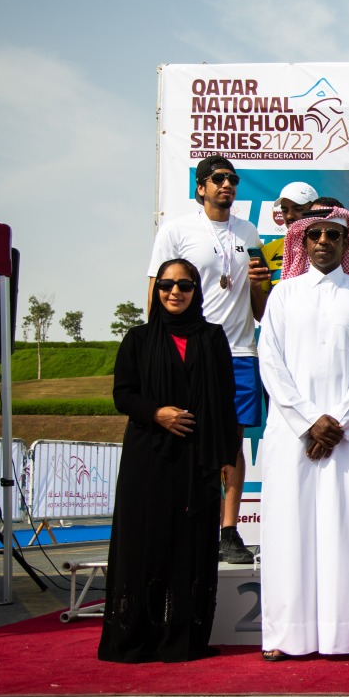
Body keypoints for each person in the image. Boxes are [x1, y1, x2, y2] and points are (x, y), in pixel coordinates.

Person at [257, 206, 349, 661]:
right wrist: (310, 421)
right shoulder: (283, 295)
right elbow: (270, 363)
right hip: (294, 434)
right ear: (302, 241)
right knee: (289, 531)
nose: (325, 241)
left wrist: (337, 424)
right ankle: (285, 636)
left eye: (335, 234)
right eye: (316, 234)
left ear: (347, 243)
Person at [99, 259, 239, 663]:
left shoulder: (213, 338)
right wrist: (156, 413)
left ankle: (181, 639)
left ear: (197, 291)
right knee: (145, 542)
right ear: (156, 290)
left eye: (184, 285)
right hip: (148, 457)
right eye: (165, 285)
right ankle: (135, 639)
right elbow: (123, 394)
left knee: (189, 545)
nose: (174, 292)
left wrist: (227, 454)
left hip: (197, 461)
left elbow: (225, 399)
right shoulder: (138, 339)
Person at [148, 154, 271, 564]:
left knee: (231, 444)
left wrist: (260, 287)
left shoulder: (249, 231)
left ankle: (229, 530)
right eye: (218, 178)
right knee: (182, 436)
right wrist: (157, 349)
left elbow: (260, 309)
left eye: (233, 179)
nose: (227, 185)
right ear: (200, 186)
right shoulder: (177, 230)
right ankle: (180, 524)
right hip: (189, 350)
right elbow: (157, 291)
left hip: (238, 351)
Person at [262, 182, 319, 285]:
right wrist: (254, 285)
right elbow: (262, 299)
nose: (289, 216)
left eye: (298, 209)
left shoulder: (326, 247)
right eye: (285, 210)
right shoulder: (268, 250)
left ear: (314, 209)